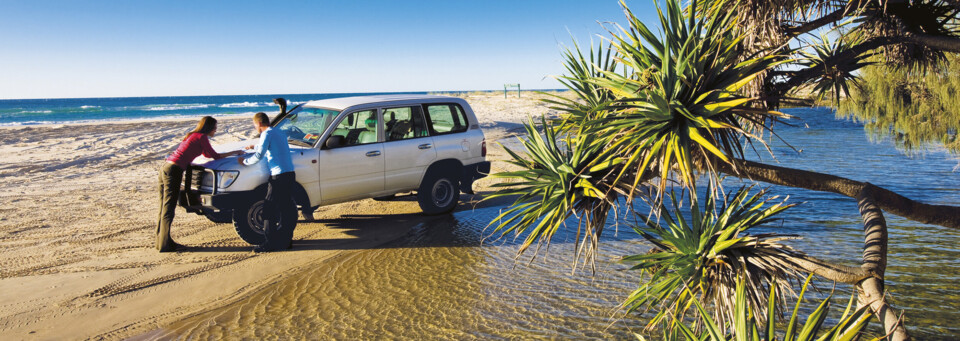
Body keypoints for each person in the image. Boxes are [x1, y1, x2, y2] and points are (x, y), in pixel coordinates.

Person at [158, 116, 242, 252]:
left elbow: (207, 154)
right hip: (174, 170)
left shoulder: (193, 135)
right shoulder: (202, 137)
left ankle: (161, 241)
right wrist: (235, 152)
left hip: (166, 167)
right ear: (209, 127)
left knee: (163, 206)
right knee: (169, 208)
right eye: (215, 128)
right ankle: (165, 244)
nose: (215, 130)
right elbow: (215, 156)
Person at [238, 112, 297, 252]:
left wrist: (245, 162)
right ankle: (286, 241)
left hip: (278, 176)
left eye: (254, 125)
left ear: (258, 123)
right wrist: (254, 147)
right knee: (286, 208)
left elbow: (259, 156)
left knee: (268, 209)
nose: (255, 128)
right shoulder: (278, 132)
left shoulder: (266, 134)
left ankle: (270, 243)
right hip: (289, 174)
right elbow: (272, 148)